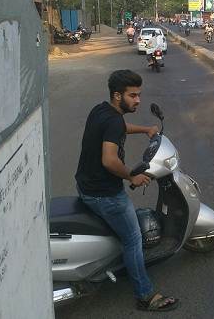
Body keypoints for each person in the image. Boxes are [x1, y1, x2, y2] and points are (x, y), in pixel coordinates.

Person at [75, 70, 179, 312]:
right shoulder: (112, 120)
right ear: (117, 95)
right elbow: (109, 160)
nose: (138, 100)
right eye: (132, 96)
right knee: (133, 240)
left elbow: (120, 127)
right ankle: (146, 295)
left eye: (139, 95)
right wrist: (132, 175)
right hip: (104, 194)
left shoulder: (102, 110)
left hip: (86, 185)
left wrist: (145, 129)